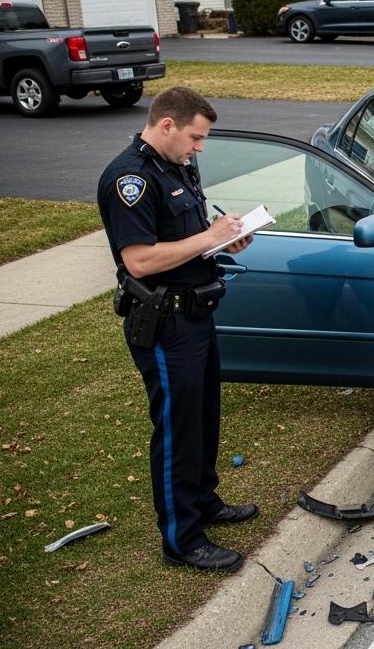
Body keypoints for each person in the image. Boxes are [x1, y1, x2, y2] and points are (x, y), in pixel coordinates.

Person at [96, 87, 258, 572]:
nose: (199, 148)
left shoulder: (176, 166)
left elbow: (185, 236)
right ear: (167, 125)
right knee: (176, 429)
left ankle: (203, 501)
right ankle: (181, 539)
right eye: (195, 137)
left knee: (204, 417)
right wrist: (208, 237)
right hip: (166, 323)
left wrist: (223, 241)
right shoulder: (131, 179)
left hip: (197, 313)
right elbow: (140, 260)